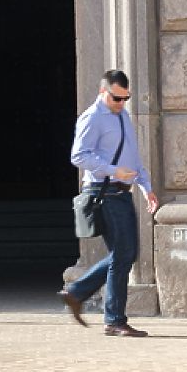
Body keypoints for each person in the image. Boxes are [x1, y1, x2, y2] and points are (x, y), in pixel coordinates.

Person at [58, 70, 159, 337]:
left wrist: (146, 187)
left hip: (122, 192)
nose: (121, 103)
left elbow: (133, 157)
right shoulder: (92, 118)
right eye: (116, 98)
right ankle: (113, 319)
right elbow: (78, 156)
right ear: (103, 92)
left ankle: (78, 293)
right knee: (124, 254)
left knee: (125, 254)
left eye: (125, 98)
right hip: (105, 192)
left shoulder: (123, 116)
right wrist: (113, 170)